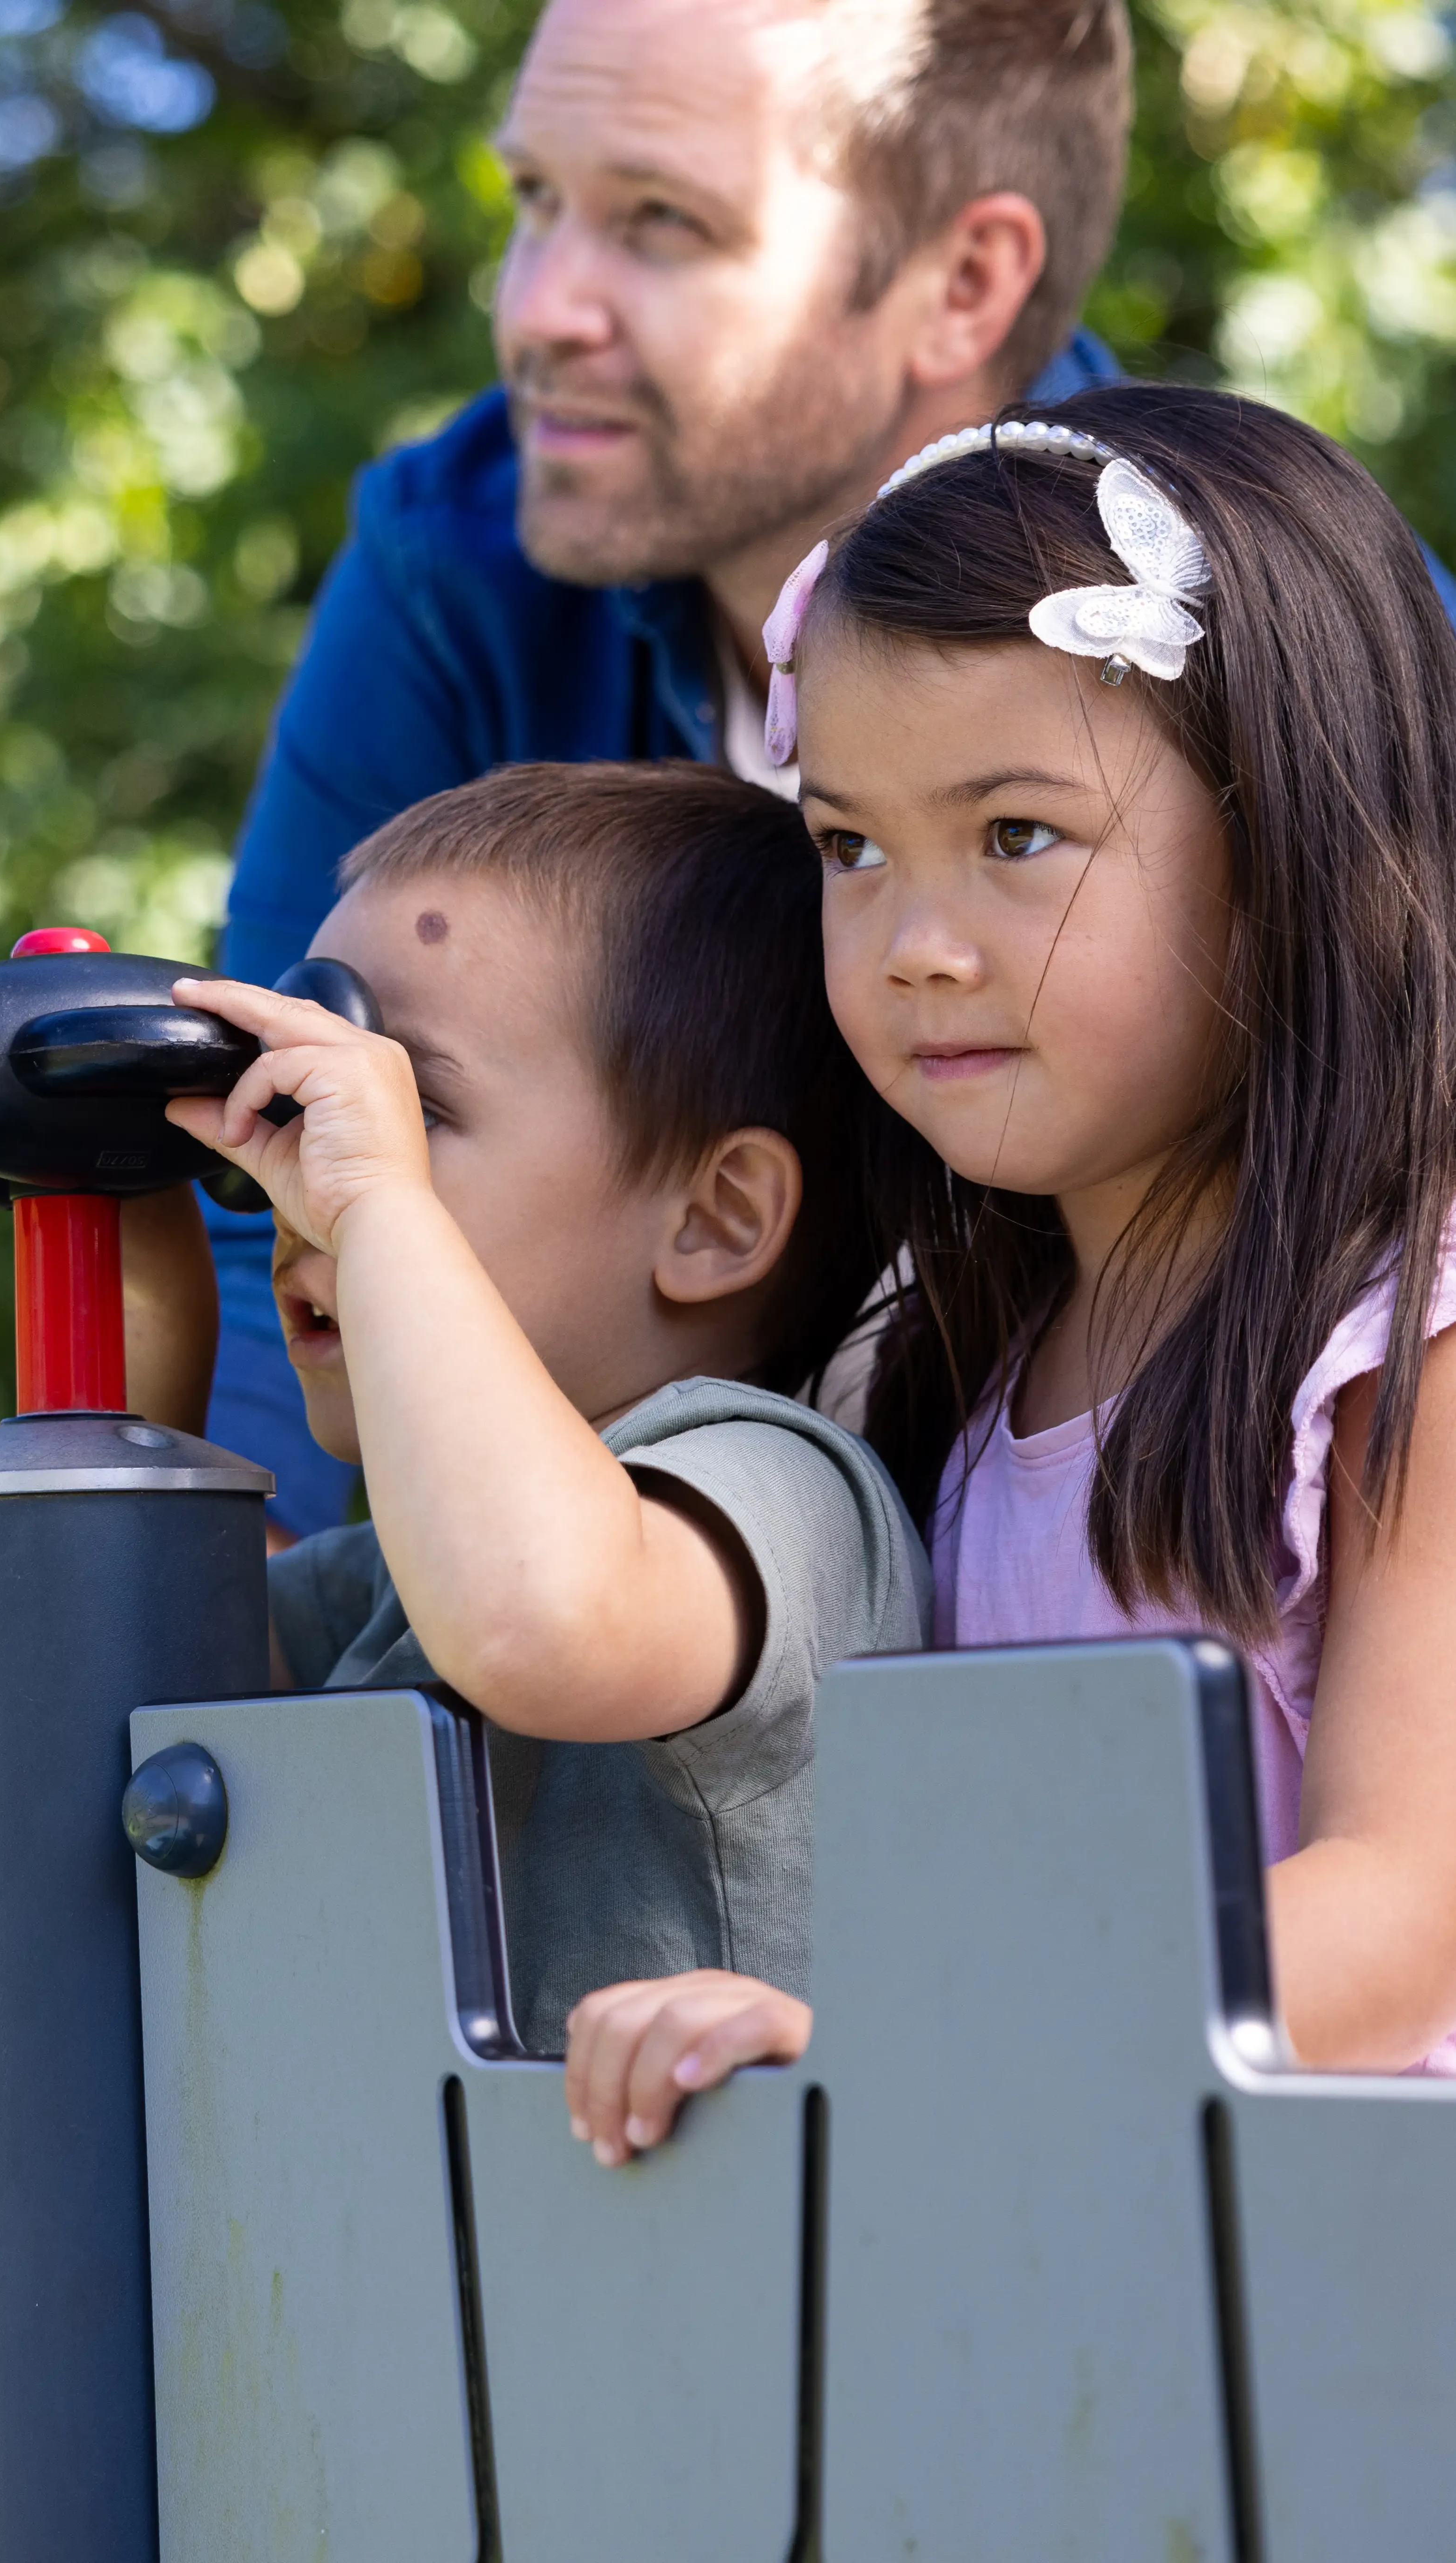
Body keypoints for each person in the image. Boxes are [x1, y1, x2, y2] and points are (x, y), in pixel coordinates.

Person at [0, 762, 930, 2175]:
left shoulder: (777, 1493)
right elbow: (135, 1669)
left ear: (715, 1216)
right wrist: (106, 1190)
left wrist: (378, 1209)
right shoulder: (396, 1581)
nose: (304, 1179)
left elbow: (540, 1618)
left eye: (400, 1105)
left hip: (714, 2346)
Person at [566, 381, 1456, 2165]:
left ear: (1287, 845)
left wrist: (906, 2030)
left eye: (1017, 836)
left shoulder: (1400, 1341)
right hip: (1073, 2295)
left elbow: (1407, 1905)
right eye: (848, 849)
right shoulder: (946, 1360)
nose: (916, 947)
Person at [208, 0, 1138, 1537]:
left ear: (959, 284)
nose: (539, 310)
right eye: (535, 203)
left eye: (660, 222)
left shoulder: (1253, 637)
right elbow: (269, 1203)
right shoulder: (459, 567)